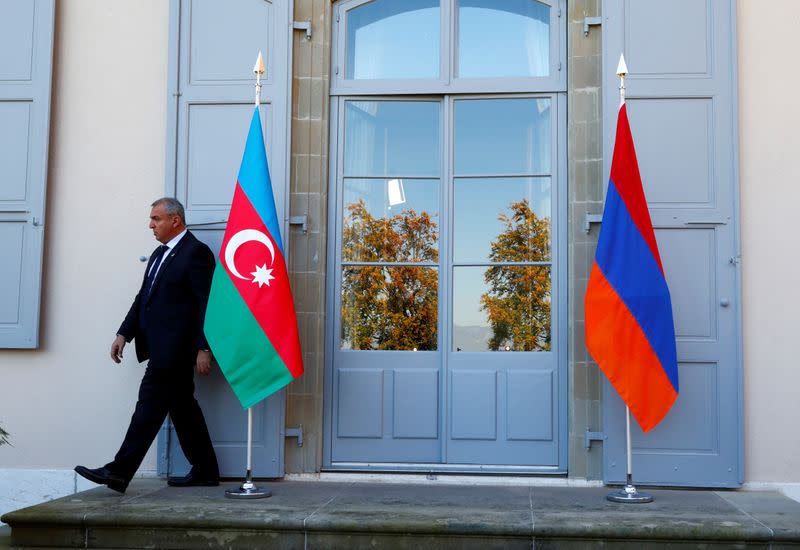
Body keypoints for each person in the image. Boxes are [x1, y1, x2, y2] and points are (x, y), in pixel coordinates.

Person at [75, 197, 219, 493]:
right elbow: (144, 297)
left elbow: (207, 304)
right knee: (183, 409)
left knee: (148, 407)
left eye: (156, 219)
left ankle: (118, 471)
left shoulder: (197, 253)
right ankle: (206, 470)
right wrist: (123, 334)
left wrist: (204, 348)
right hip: (159, 347)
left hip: (177, 350)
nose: (150, 225)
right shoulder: (157, 254)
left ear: (175, 220)